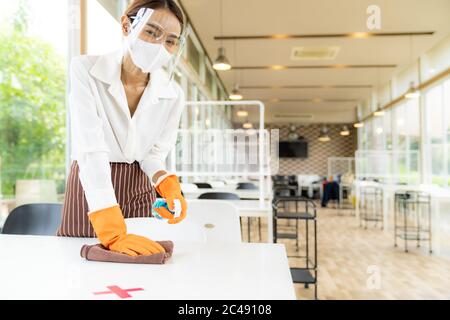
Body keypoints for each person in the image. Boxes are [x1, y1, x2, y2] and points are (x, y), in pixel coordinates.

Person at [57, 0, 187, 257]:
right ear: (127, 25)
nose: (160, 46)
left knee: (143, 266)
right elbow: (90, 148)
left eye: (171, 40)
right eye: (151, 32)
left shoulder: (173, 94)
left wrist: (165, 181)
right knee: (78, 266)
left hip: (139, 185)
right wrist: (106, 217)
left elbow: (153, 154)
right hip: (91, 184)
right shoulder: (86, 70)